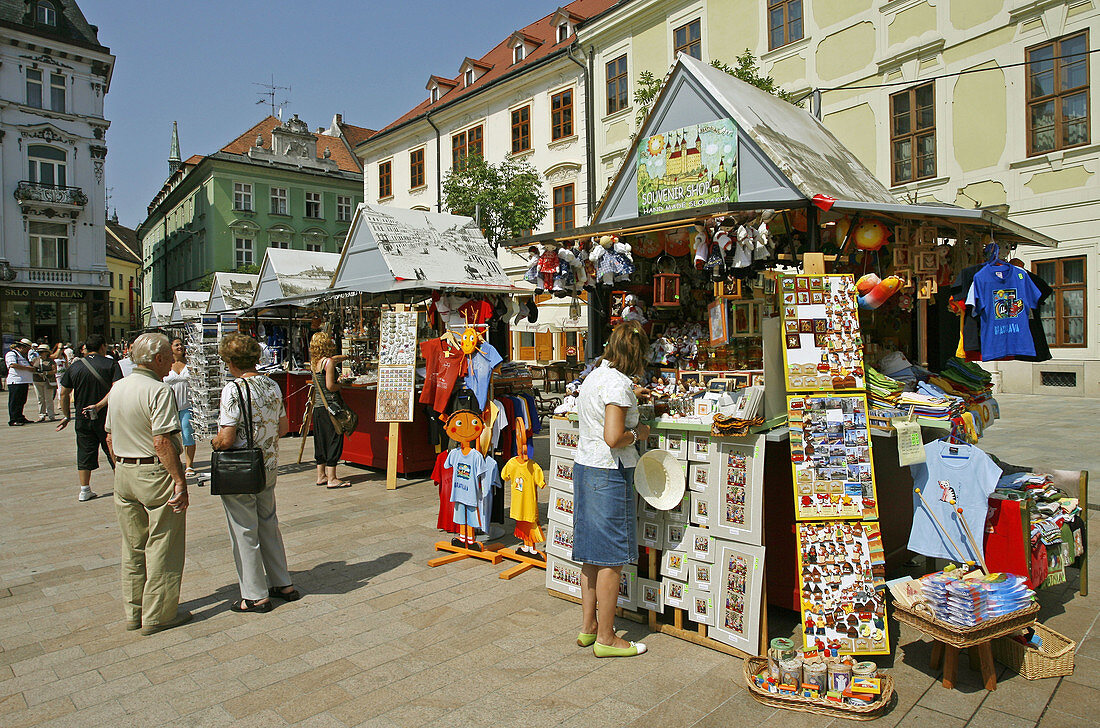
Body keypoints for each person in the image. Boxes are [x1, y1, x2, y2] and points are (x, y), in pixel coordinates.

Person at [572, 321, 651, 658]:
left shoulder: (595, 376)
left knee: (591, 554)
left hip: (586, 468)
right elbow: (614, 437)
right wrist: (640, 433)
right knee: (611, 558)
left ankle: (589, 627)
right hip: (608, 473)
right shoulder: (617, 385)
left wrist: (632, 395)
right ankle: (607, 637)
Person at [104, 332, 190, 635]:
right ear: (157, 359)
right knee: (163, 544)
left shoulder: (118, 388)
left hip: (124, 470)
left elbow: (110, 436)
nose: (171, 361)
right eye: (168, 356)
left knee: (132, 546)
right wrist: (179, 480)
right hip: (153, 472)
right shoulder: (158, 390)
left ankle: (134, 611)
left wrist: (121, 467)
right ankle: (159, 614)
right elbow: (161, 440)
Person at [211, 333, 297, 613]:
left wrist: (214, 442)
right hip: (268, 465)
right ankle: (282, 581)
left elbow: (226, 438)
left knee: (244, 529)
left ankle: (255, 593)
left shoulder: (233, 389)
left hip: (242, 468)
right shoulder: (271, 385)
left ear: (230, 362)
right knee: (268, 522)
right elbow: (283, 428)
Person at [57, 334, 123, 502]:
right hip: (106, 416)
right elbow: (117, 389)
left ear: (85, 348)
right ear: (103, 347)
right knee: (112, 450)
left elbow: (64, 393)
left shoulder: (75, 367)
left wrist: (66, 415)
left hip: (82, 416)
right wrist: (99, 405)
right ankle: (121, 486)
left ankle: (84, 489)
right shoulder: (111, 364)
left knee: (84, 452)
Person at [309, 332, 350, 489]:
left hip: (318, 407)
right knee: (334, 439)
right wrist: (342, 385)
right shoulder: (329, 363)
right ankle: (332, 478)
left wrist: (345, 357)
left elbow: (333, 360)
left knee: (321, 441)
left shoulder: (315, 363)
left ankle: (321, 475)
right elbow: (330, 386)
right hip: (331, 407)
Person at [164, 337, 196, 477]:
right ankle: (174, 463)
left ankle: (189, 465)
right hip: (169, 407)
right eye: (176, 345)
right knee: (171, 437)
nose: (180, 347)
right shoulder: (166, 364)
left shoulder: (190, 363)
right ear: (170, 347)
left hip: (187, 405)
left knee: (188, 434)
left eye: (181, 344)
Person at [5, 339, 36, 426]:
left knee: (22, 400)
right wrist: (28, 368)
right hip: (16, 381)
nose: (28, 351)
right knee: (15, 401)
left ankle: (20, 417)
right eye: (27, 349)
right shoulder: (12, 354)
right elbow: (12, 364)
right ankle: (13, 419)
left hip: (24, 381)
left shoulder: (23, 356)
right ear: (22, 347)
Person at [32, 343, 58, 421]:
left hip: (47, 381)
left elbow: (54, 370)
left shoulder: (51, 361)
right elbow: (32, 369)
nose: (40, 354)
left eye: (42, 352)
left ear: (46, 352)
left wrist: (46, 373)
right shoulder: (35, 360)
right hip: (37, 381)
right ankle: (41, 415)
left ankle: (51, 415)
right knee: (40, 398)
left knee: (48, 398)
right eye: (39, 352)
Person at [51, 343, 68, 413]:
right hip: (56, 375)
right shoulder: (54, 355)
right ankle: (59, 402)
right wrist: (59, 349)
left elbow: (66, 365)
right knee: (58, 389)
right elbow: (55, 356)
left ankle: (60, 402)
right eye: (61, 348)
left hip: (63, 373)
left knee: (62, 389)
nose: (62, 350)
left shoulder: (64, 356)